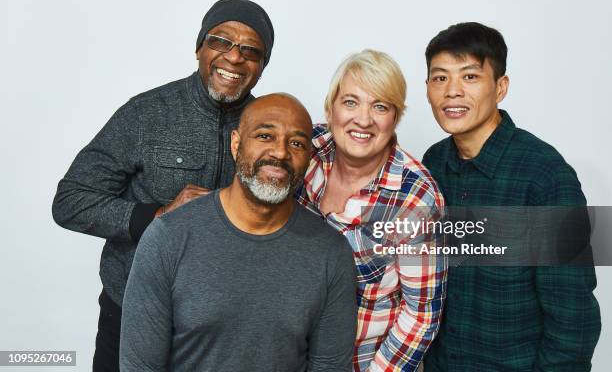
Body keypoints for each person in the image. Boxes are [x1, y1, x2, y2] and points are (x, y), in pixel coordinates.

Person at [51, 0, 274, 371]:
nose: (234, 58)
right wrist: (156, 216)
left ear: (262, 66)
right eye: (220, 41)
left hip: (222, 324)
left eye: (251, 50)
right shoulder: (147, 113)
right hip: (131, 309)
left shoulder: (269, 126)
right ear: (199, 47)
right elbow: (70, 201)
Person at [119, 93, 357, 372]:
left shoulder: (331, 252)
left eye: (296, 143)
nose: (280, 152)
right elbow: (139, 366)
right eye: (265, 136)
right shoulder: (167, 237)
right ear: (236, 144)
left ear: (307, 159)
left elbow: (329, 366)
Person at [421, 22, 601, 371]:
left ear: (500, 87)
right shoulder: (433, 164)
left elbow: (573, 318)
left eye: (470, 76)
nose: (452, 91)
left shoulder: (545, 176)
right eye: (440, 78)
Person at [296, 49, 447, 372]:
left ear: (395, 118)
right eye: (351, 102)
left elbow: (420, 315)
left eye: (380, 106)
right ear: (330, 107)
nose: (363, 119)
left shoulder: (415, 198)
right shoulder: (305, 149)